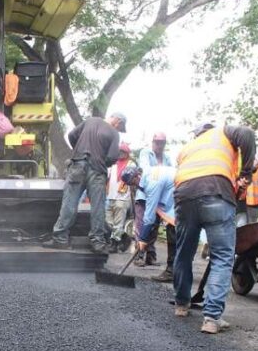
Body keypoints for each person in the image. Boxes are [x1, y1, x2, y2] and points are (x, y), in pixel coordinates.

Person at [172, 122, 256, 334]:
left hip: (184, 196)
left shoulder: (187, 148)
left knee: (184, 252)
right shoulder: (222, 132)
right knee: (222, 256)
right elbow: (246, 133)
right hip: (216, 193)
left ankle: (181, 305)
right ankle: (211, 318)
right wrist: (246, 174)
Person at [43, 113, 127, 253]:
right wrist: (102, 162)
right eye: (120, 126)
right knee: (97, 207)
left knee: (69, 202)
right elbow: (113, 156)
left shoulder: (91, 121)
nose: (119, 129)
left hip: (77, 165)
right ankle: (98, 243)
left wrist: (78, 151)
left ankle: (60, 239)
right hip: (97, 171)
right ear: (117, 121)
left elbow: (71, 135)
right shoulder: (114, 133)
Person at [121, 165, 176, 266]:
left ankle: (172, 270)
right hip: (174, 195)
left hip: (181, 194)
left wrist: (142, 238)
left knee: (172, 231)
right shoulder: (147, 177)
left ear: (137, 176)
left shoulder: (151, 183)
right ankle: (171, 269)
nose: (133, 186)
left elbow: (149, 216)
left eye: (132, 183)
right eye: (130, 184)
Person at [135, 132, 172, 266]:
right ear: (153, 142)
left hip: (159, 197)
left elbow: (170, 173)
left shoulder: (167, 158)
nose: (159, 145)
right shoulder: (146, 153)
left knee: (154, 226)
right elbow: (146, 170)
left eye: (162, 142)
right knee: (142, 224)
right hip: (145, 195)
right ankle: (139, 255)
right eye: (157, 142)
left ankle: (150, 255)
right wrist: (160, 174)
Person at [106, 142, 135, 253]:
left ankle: (114, 243)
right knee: (108, 222)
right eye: (119, 151)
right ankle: (125, 237)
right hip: (110, 196)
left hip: (122, 198)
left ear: (127, 153)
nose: (121, 153)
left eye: (123, 151)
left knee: (118, 222)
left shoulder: (131, 164)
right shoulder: (113, 164)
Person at [236, 157, 258, 226]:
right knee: (251, 229)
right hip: (255, 203)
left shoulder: (240, 157)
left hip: (239, 201)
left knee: (240, 229)